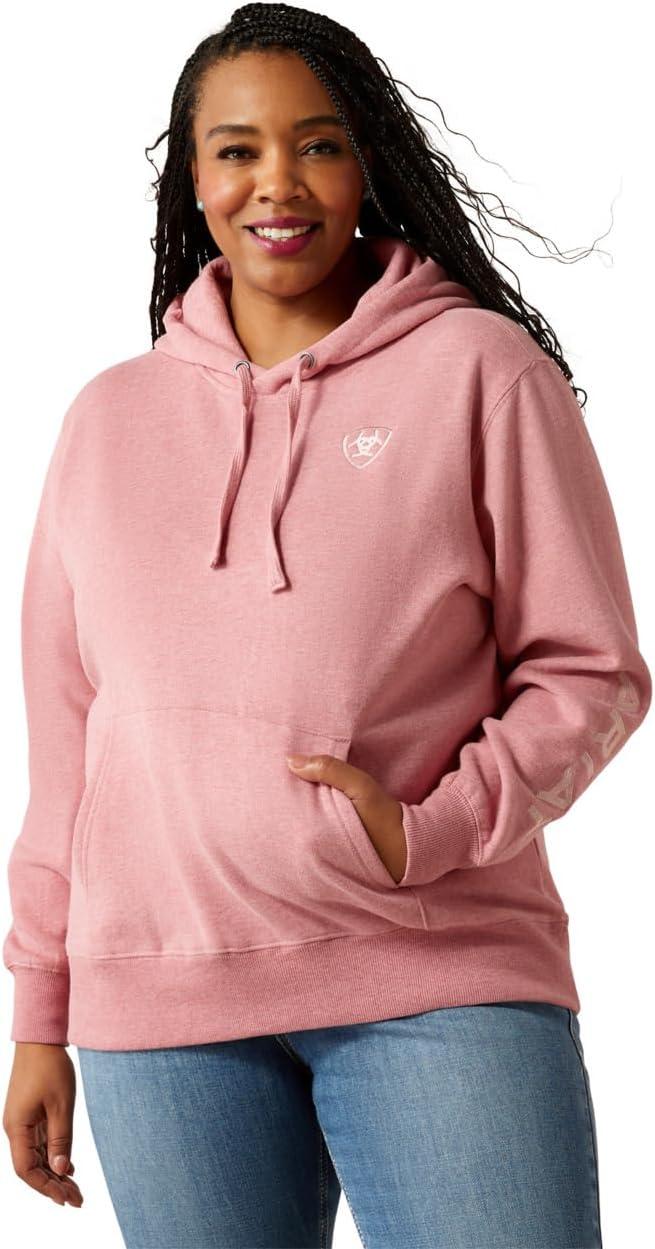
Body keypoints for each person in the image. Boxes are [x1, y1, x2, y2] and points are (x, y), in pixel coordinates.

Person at [2, 4, 650, 1246]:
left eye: (318, 144)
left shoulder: (480, 372)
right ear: (194, 179)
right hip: (160, 1014)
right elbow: (68, 744)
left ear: (367, 164)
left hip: (437, 973)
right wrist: (40, 1007)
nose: (277, 184)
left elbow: (589, 667)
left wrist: (428, 828)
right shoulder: (106, 421)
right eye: (237, 150)